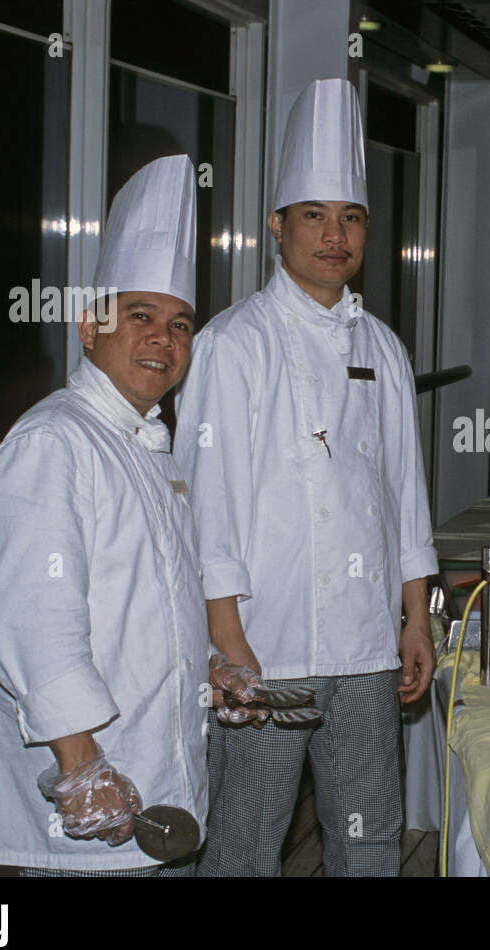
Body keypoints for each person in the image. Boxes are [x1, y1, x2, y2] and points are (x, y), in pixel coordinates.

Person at [175, 78, 439, 877]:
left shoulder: (383, 348)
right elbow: (205, 500)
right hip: (267, 646)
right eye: (315, 216)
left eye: (350, 217)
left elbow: (404, 493)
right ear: (277, 226)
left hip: (365, 645)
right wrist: (228, 643)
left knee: (367, 837)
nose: (335, 235)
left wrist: (416, 618)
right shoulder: (233, 343)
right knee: (247, 845)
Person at [0, 155, 261, 875]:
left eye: (181, 324)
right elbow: (32, 620)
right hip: (88, 817)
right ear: (89, 327)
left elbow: (148, 607)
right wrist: (80, 766)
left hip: (162, 795)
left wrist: (210, 664)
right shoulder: (54, 442)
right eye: (141, 317)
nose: (164, 341)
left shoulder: (153, 452)